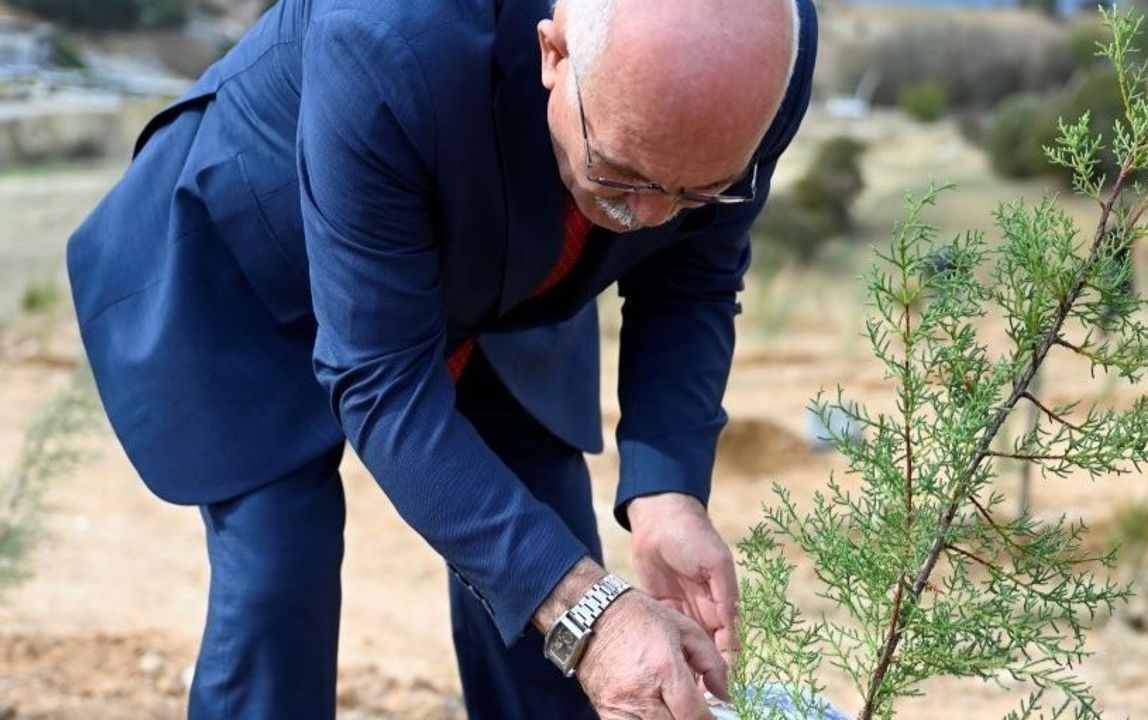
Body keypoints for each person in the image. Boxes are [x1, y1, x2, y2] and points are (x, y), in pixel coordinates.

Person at [64, 0, 816, 716]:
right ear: (554, 53)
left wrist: (666, 492)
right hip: (260, 256)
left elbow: (691, 279)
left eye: (699, 190)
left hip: (504, 261)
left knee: (551, 550)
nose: (647, 217)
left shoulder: (760, 46)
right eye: (622, 170)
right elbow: (381, 380)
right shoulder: (387, 32)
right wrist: (588, 614)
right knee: (280, 573)